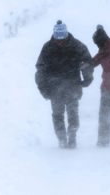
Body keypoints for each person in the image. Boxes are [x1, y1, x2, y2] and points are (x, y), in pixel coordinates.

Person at [35, 20, 94, 149]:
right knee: (58, 115)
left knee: (73, 114)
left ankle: (72, 136)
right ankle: (61, 139)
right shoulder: (47, 48)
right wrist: (43, 88)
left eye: (63, 39)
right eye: (58, 39)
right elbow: (40, 69)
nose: (60, 42)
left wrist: (87, 77)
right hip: (54, 90)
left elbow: (86, 63)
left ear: (67, 34)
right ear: (54, 36)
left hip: (73, 87)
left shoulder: (78, 46)